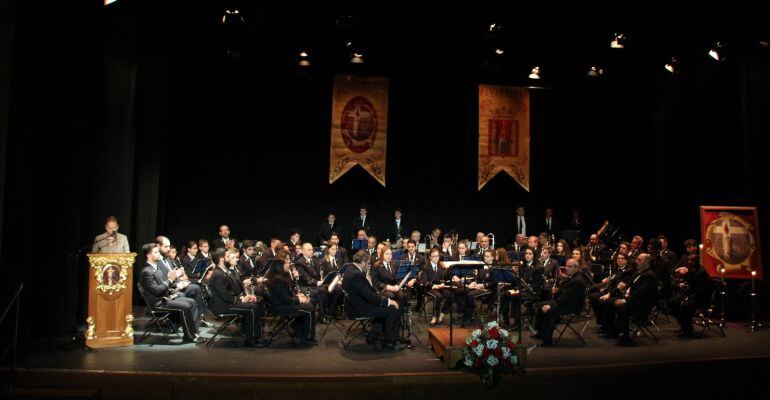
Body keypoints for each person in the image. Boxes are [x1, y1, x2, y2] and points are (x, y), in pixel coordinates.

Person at [139, 243, 203, 343]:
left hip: (166, 297)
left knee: (192, 302)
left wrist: (174, 281)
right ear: (149, 255)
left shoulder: (156, 268)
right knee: (185, 306)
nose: (158, 254)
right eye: (155, 252)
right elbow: (156, 290)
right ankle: (189, 336)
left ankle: (194, 333)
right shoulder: (147, 271)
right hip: (158, 302)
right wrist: (170, 279)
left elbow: (165, 284)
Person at [342, 250, 401, 351]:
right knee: (392, 309)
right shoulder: (356, 275)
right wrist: (388, 301)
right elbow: (369, 296)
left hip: (354, 304)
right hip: (359, 309)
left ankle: (373, 335)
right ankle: (389, 342)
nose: (368, 266)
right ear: (363, 261)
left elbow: (366, 292)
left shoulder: (350, 269)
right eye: (368, 263)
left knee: (384, 307)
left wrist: (379, 296)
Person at [208, 248, 264, 347]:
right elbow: (225, 295)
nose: (229, 258)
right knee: (253, 308)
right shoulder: (218, 274)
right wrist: (241, 299)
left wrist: (246, 296)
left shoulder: (224, 271)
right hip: (223, 306)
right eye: (227, 256)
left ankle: (252, 333)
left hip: (229, 302)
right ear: (222, 259)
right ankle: (251, 339)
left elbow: (235, 289)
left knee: (256, 302)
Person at [533, 258, 589, 346]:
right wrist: (557, 291)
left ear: (576, 268)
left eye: (569, 266)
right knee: (541, 305)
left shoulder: (577, 280)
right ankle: (541, 333)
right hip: (565, 302)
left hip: (572, 306)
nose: (566, 268)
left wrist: (551, 305)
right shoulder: (571, 276)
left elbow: (566, 298)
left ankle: (547, 340)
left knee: (550, 311)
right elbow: (564, 293)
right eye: (566, 266)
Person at [266, 256, 317, 345]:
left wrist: (297, 295)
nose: (288, 265)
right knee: (309, 308)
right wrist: (299, 300)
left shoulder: (279, 277)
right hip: (281, 307)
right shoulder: (277, 279)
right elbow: (285, 299)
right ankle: (307, 338)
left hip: (283, 304)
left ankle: (299, 331)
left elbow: (286, 294)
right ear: (279, 266)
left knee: (311, 301)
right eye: (286, 263)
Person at [611, 253, 659, 346]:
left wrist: (624, 300)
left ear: (647, 262)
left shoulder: (649, 275)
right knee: (611, 303)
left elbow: (639, 293)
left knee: (622, 307)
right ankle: (615, 331)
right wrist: (622, 295)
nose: (636, 262)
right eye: (637, 259)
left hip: (642, 306)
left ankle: (625, 337)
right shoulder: (639, 272)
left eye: (639, 260)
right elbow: (630, 285)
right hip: (635, 301)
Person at [669, 239, 712, 338]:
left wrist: (689, 296)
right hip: (691, 295)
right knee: (673, 301)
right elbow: (690, 284)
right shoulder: (692, 271)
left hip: (700, 298)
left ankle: (688, 329)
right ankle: (684, 326)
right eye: (689, 261)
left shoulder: (701, 272)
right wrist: (684, 287)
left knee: (685, 305)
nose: (689, 263)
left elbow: (701, 290)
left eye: (691, 262)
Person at [421, 247, 451, 326]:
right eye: (434, 256)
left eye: (437, 256)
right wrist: (434, 285)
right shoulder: (426, 267)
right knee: (438, 296)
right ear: (430, 257)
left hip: (439, 287)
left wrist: (443, 282)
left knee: (449, 294)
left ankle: (441, 314)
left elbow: (444, 277)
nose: (436, 258)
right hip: (430, 288)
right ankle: (435, 317)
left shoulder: (441, 265)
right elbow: (424, 282)